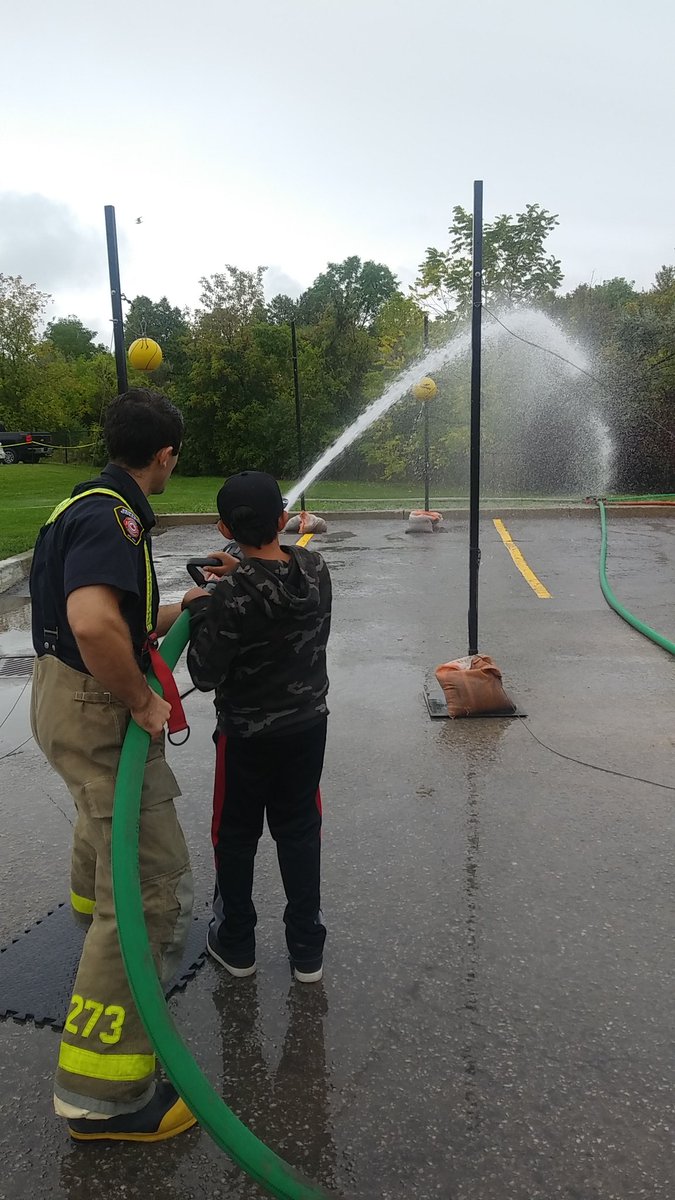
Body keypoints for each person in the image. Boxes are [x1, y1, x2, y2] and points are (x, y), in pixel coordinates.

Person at [29, 388, 233, 1142]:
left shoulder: (81, 503)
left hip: (58, 702)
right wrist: (145, 703)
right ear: (166, 454)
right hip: (96, 710)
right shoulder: (115, 517)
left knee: (100, 822)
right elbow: (92, 624)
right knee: (152, 892)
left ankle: (93, 930)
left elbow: (111, 613)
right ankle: (103, 1097)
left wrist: (187, 605)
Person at [184, 470, 332, 983]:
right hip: (308, 728)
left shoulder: (230, 594)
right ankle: (307, 950)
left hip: (246, 739)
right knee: (300, 831)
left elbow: (204, 674)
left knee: (235, 836)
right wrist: (243, 571)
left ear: (225, 529)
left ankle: (236, 944)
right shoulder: (315, 568)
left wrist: (202, 609)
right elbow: (274, 582)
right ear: (284, 519)